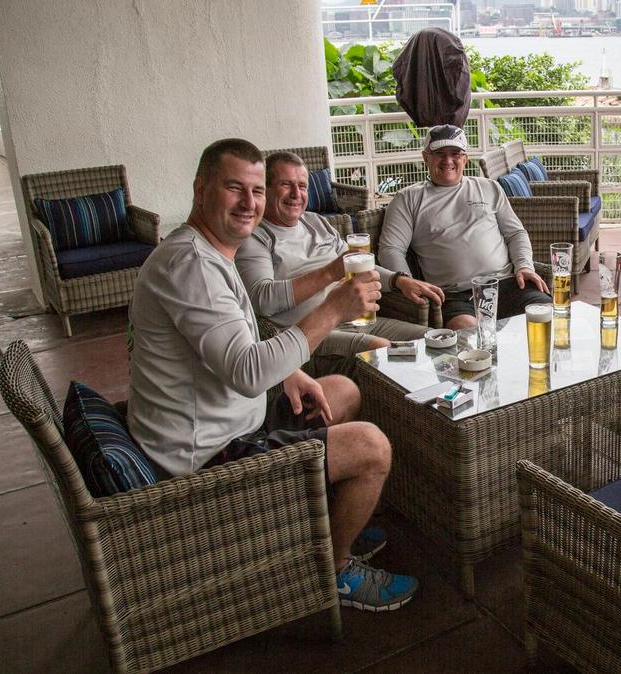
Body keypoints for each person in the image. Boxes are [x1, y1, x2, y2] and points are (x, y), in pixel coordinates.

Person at [128, 138, 418, 611]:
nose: (250, 203)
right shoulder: (192, 265)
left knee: (340, 390)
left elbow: (233, 350)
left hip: (223, 416)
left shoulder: (207, 251)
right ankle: (336, 568)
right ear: (201, 188)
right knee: (371, 447)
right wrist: (333, 310)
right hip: (205, 456)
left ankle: (319, 528)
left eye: (256, 190)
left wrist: (287, 375)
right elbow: (245, 372)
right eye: (234, 188)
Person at [235, 151, 444, 367]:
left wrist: (398, 280)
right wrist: (331, 272)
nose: (296, 194)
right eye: (286, 185)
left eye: (303, 186)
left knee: (436, 340)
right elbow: (262, 300)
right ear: (265, 190)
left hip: (357, 321)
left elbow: (357, 261)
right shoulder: (255, 237)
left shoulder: (316, 222)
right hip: (310, 334)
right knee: (384, 351)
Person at [378, 124, 550, 330]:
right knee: (468, 338)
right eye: (439, 153)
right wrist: (406, 281)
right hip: (454, 297)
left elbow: (515, 233)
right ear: (426, 157)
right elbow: (391, 249)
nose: (448, 160)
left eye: (455, 154)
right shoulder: (408, 199)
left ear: (465, 159)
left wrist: (524, 266)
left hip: (507, 284)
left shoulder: (489, 188)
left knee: (548, 317)